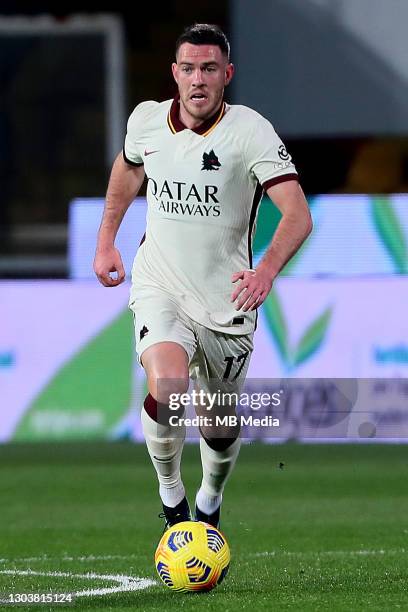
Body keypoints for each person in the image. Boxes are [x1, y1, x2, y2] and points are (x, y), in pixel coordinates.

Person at [94, 23, 312, 530]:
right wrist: (106, 239)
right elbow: (127, 170)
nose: (198, 79)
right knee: (167, 386)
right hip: (160, 284)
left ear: (227, 75)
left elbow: (297, 214)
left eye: (209, 69)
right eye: (189, 68)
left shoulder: (250, 131)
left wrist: (267, 270)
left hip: (226, 302)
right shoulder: (146, 121)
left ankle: (209, 500)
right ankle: (172, 501)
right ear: (175, 73)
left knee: (217, 425)